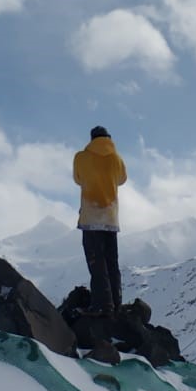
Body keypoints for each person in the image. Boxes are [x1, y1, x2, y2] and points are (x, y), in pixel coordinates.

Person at [73, 125, 127, 315]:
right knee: (112, 261)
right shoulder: (117, 159)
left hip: (90, 216)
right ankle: (116, 302)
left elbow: (78, 179)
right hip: (111, 218)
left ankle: (102, 306)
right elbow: (122, 179)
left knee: (97, 263)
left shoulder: (81, 157)